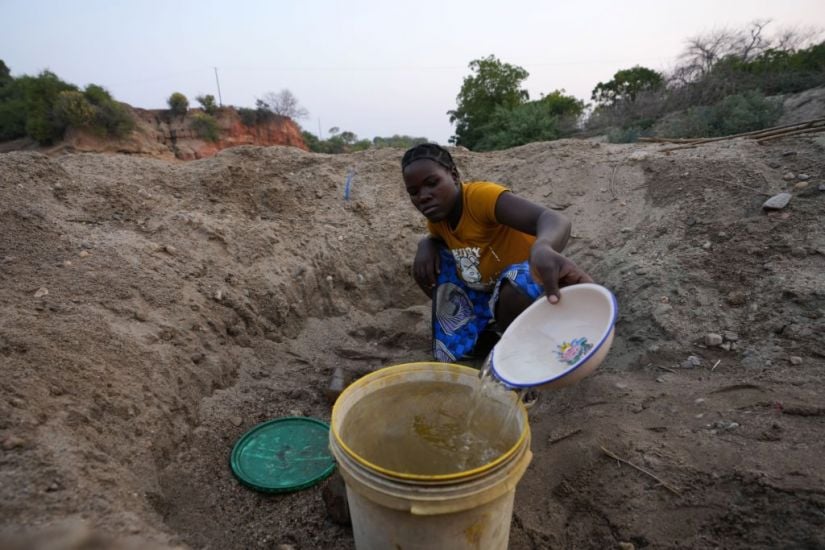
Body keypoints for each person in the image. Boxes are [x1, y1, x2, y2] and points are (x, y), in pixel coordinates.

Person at [402, 143, 593, 362]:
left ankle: (526, 343)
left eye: (432, 183)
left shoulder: (480, 198)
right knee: (425, 267)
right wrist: (426, 244)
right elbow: (438, 241)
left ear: (454, 175)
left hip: (533, 282)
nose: (423, 196)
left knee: (511, 290)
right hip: (488, 289)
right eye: (413, 192)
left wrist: (543, 247)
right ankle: (487, 333)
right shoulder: (438, 221)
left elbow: (554, 219)